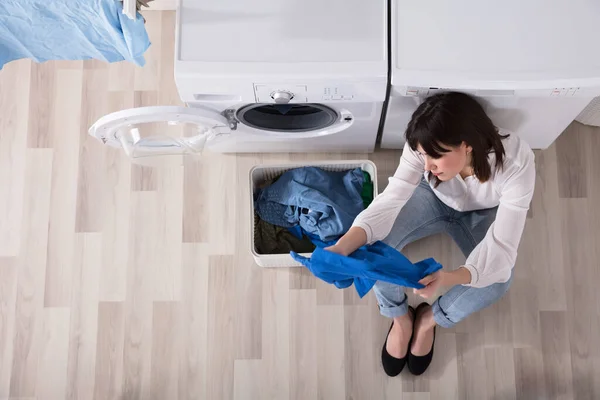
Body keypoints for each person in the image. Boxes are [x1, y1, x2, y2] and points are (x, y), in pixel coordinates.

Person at [326, 92, 535, 376]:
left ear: (466, 145)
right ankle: (399, 318)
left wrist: (449, 277)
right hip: (430, 197)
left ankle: (429, 319)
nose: (426, 166)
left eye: (435, 157)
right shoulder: (424, 146)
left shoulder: (516, 164)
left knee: (498, 282)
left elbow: (502, 250)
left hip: (481, 213)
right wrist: (343, 246)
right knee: (374, 247)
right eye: (422, 156)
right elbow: (392, 197)